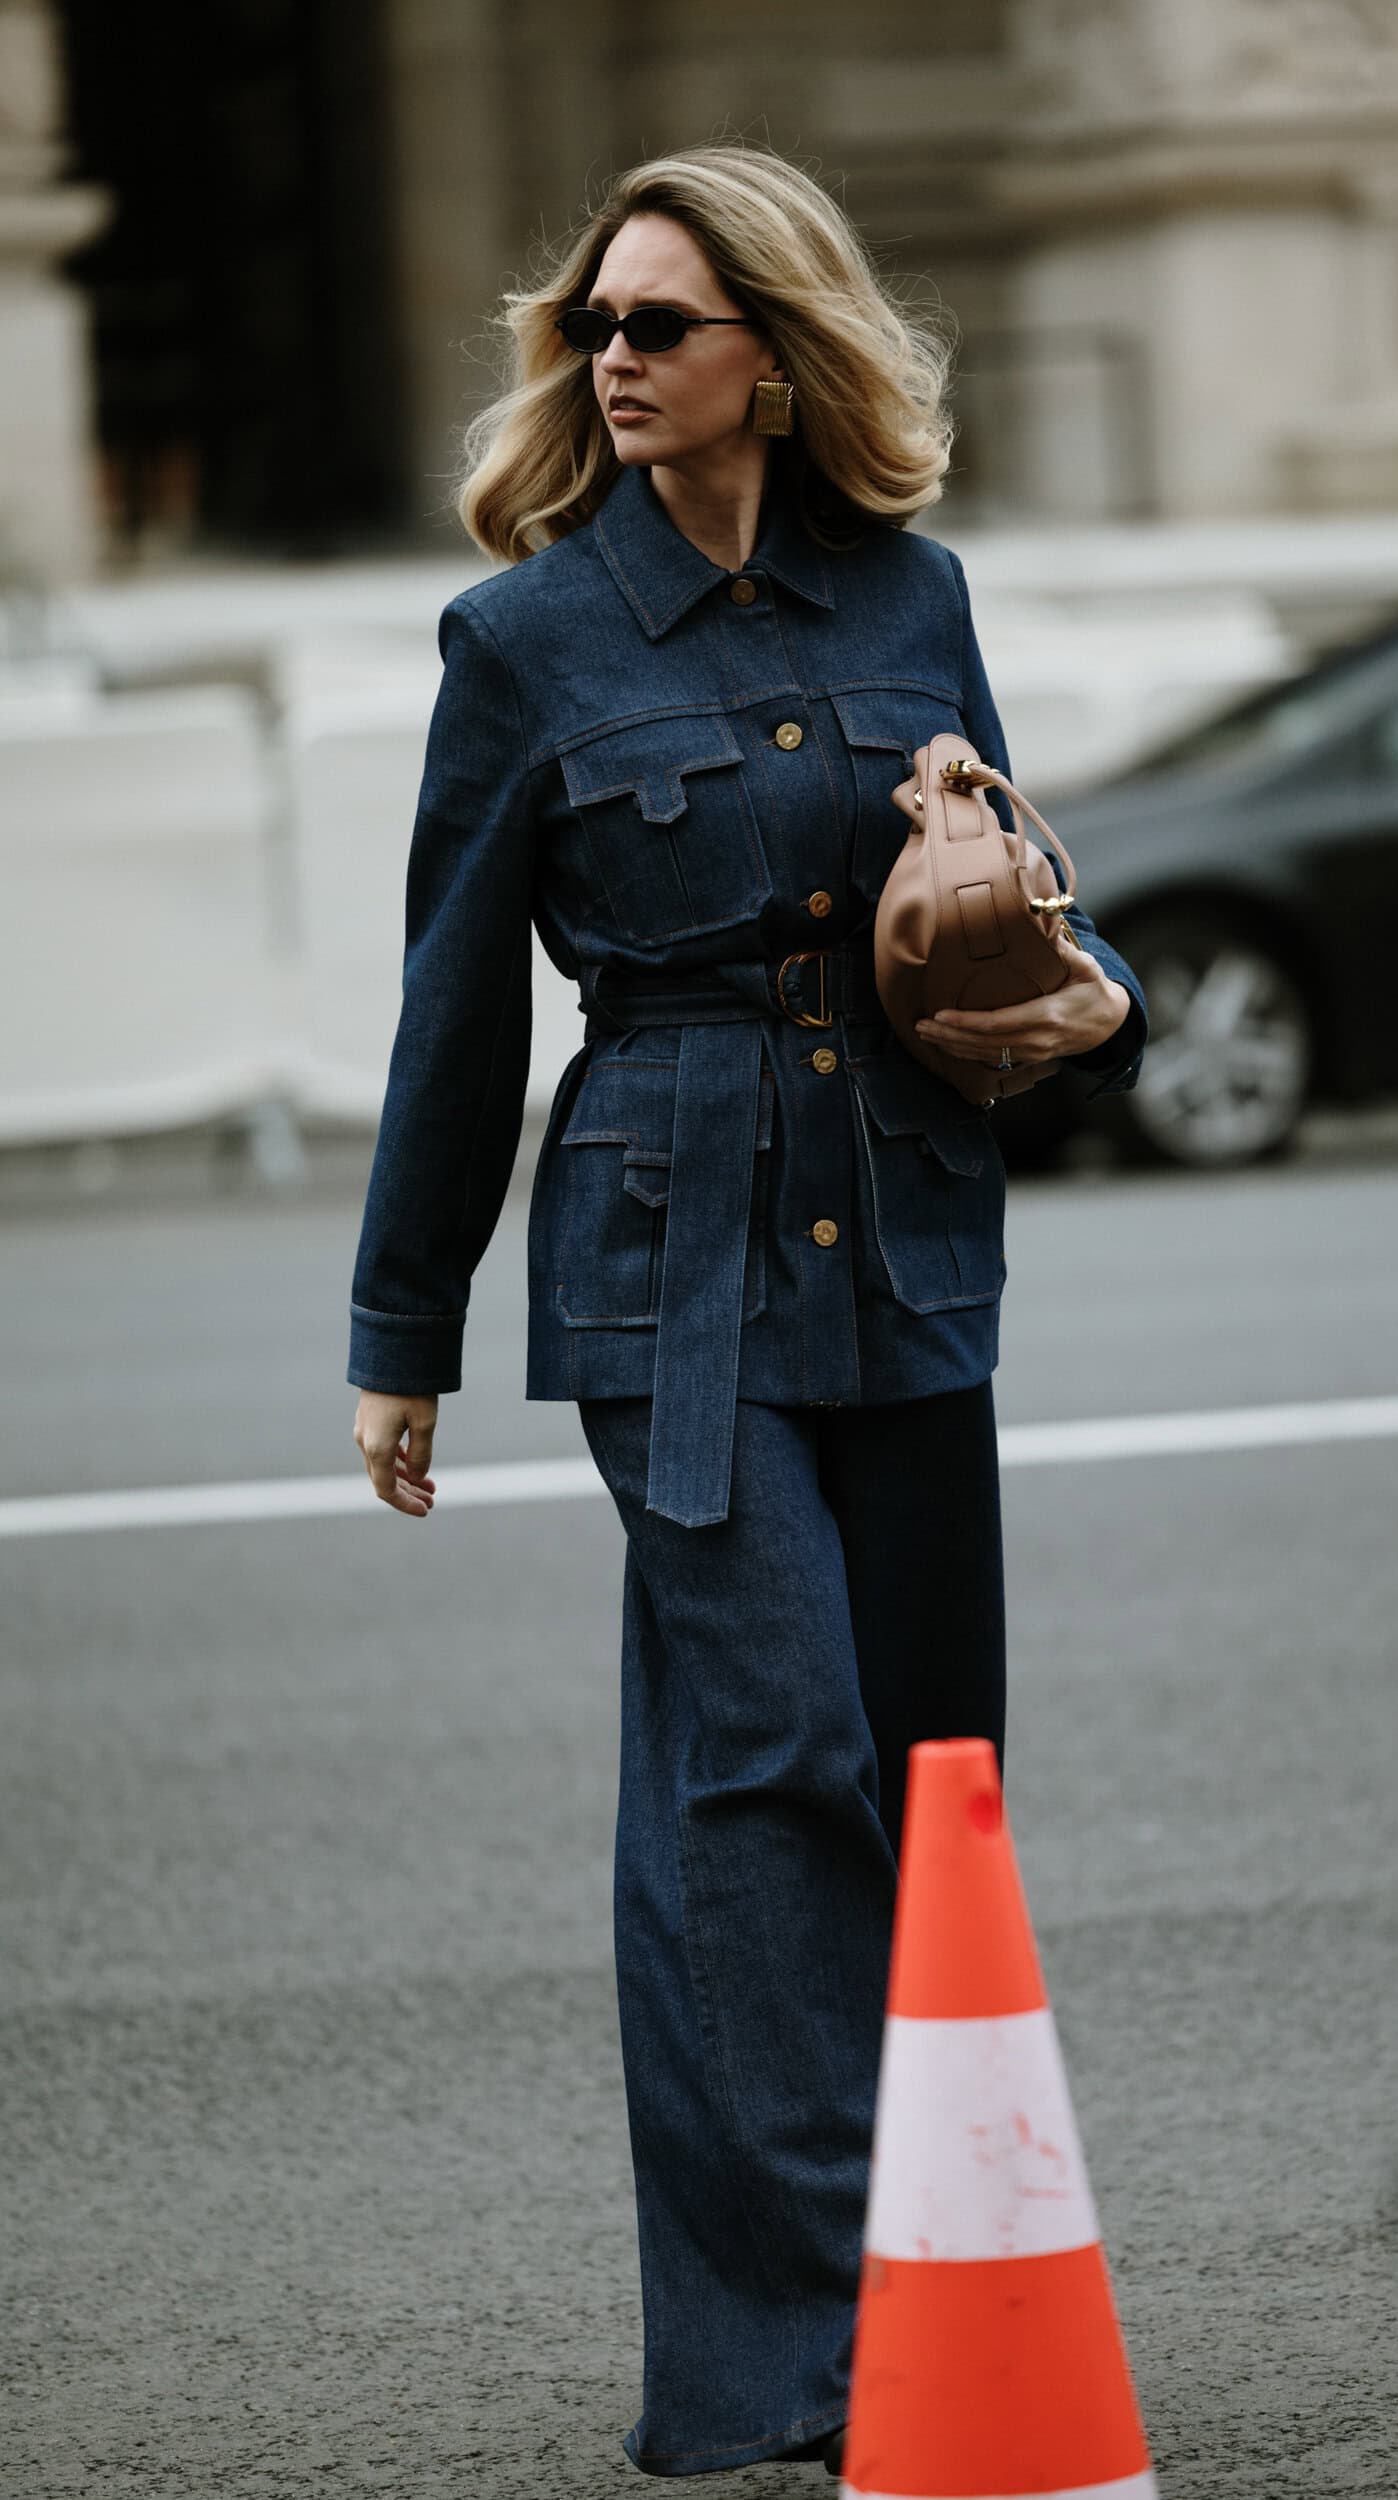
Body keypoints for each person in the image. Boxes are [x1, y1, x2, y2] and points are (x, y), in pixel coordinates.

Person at [346, 141, 1147, 2481]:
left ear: (771, 364)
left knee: (911, 1775)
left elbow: (998, 874)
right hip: (660, 1252)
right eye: (595, 322)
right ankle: (815, 2355)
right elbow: (451, 1013)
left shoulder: (915, 595)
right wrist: (405, 1328)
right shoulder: (522, 644)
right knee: (772, 1749)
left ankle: (871, 2295)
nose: (609, 356)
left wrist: (1013, 926)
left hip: (903, 1220)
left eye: (657, 324)